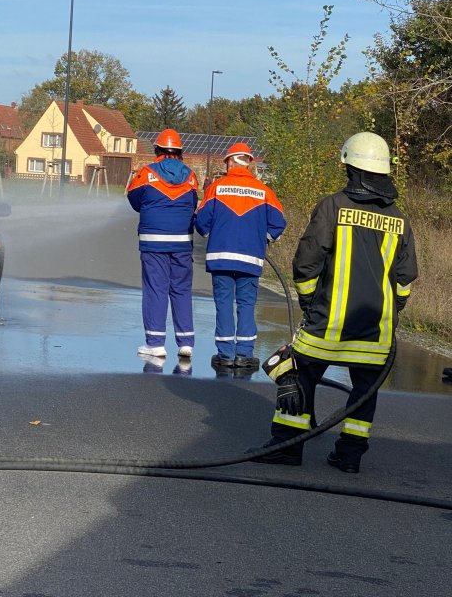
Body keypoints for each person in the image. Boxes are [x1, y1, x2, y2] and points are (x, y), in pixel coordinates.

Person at [256, 132, 418, 473]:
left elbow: (306, 261)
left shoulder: (334, 206)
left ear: (351, 169)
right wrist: (392, 312)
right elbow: (404, 278)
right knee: (364, 391)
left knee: (298, 374)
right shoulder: (399, 219)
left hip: (326, 325)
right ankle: (349, 456)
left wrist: (309, 300)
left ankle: (288, 446)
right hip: (376, 332)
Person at [195, 142, 286, 370]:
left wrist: (211, 234)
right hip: (250, 257)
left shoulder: (217, 188)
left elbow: (202, 221)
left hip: (221, 256)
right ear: (249, 163)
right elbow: (278, 223)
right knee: (246, 303)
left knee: (224, 303)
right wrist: (262, 238)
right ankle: (244, 355)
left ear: (229, 161)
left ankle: (225, 355)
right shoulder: (264, 191)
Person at [126, 128, 199, 359]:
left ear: (157, 149)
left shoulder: (146, 173)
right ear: (179, 151)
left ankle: (155, 343)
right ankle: (186, 342)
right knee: (181, 290)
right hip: (182, 242)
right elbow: (194, 201)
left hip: (153, 242)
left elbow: (134, 200)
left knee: (156, 289)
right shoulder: (190, 176)